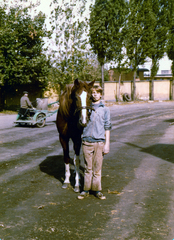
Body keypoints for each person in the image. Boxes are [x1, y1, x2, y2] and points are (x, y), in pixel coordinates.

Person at [78, 85, 112, 200]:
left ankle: (97, 190)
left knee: (97, 168)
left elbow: (107, 127)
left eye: (97, 92)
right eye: (93, 92)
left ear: (101, 94)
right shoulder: (86, 108)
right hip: (87, 141)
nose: (95, 94)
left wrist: (107, 144)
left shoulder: (105, 109)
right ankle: (86, 190)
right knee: (88, 168)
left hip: (99, 142)